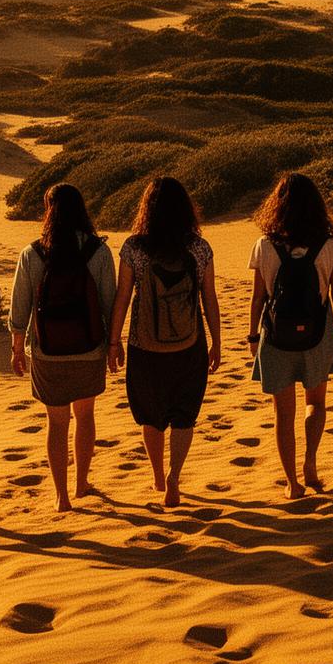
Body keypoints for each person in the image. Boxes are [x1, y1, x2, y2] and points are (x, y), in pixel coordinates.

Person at [107, 176, 221, 508]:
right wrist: (217, 342)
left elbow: (123, 298)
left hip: (145, 348)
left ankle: (157, 476)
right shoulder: (200, 249)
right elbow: (209, 299)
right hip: (190, 345)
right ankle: (174, 477)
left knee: (150, 415)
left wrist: (114, 343)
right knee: (184, 414)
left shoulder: (134, 248)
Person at [8, 183, 117, 512]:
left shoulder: (33, 252)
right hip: (89, 349)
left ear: (48, 211)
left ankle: (61, 497)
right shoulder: (98, 251)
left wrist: (16, 348)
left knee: (56, 423)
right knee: (85, 417)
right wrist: (113, 345)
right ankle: (82, 482)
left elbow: (20, 307)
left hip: (46, 351)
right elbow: (109, 303)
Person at [246, 173, 333, 498]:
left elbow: (258, 297)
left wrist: (251, 336)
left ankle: (291, 482)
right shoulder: (330, 245)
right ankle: (311, 463)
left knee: (283, 412)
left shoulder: (264, 244)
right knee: (316, 403)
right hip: (319, 335)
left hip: (276, 337)